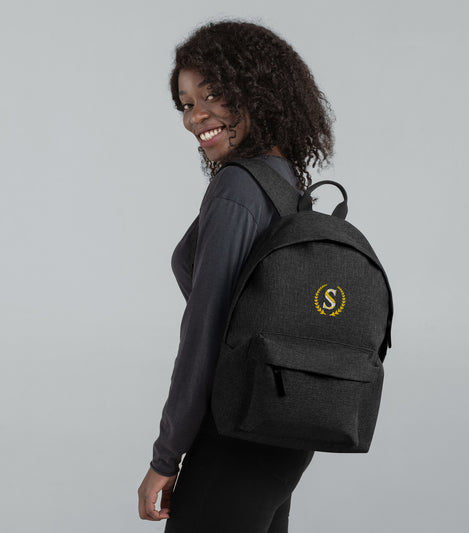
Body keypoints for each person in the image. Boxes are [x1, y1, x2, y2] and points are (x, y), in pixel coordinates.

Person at [137, 19, 335, 532]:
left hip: (236, 433)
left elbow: (206, 333)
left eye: (212, 95)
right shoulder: (284, 182)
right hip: (283, 433)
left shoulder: (237, 188)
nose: (195, 117)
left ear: (257, 91)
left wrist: (166, 456)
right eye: (186, 103)